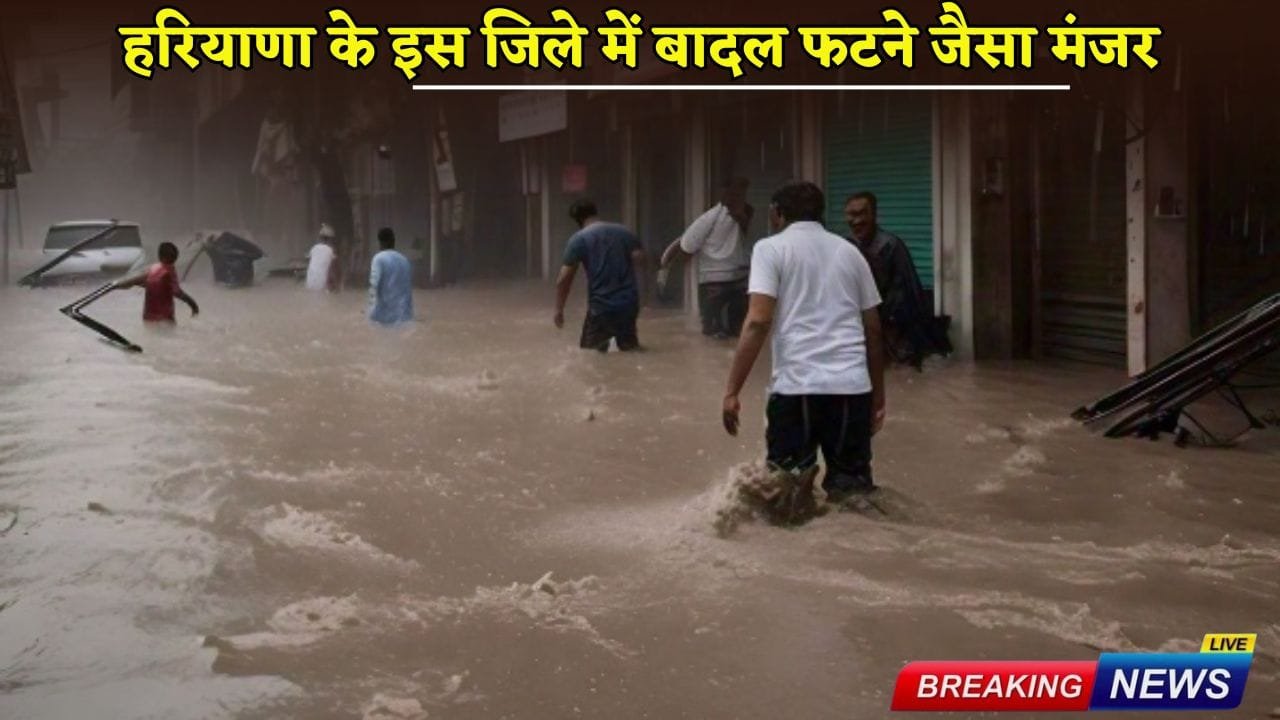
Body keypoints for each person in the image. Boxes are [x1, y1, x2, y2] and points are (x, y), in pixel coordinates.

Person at [722, 182, 886, 506]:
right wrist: (877, 397)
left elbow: (757, 322)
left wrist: (731, 391)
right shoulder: (850, 252)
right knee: (854, 495)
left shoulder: (770, 249)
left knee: (786, 496)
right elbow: (873, 330)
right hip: (852, 389)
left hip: (798, 388)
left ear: (777, 213)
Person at [843, 191, 950, 369]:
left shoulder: (891, 245)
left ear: (874, 215)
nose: (856, 221)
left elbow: (907, 292)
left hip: (891, 328)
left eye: (862, 213)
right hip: (857, 329)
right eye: (851, 214)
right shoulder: (846, 246)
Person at [659, 177, 753, 339]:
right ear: (724, 195)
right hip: (715, 283)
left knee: (737, 333)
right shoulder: (709, 219)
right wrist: (668, 272)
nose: (738, 198)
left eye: (741, 194)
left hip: (738, 281)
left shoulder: (744, 214)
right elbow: (685, 245)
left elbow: (685, 245)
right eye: (734, 194)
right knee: (715, 333)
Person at [555, 199, 645, 353]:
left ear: (577, 220)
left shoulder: (579, 239)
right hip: (628, 303)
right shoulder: (624, 232)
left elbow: (564, 279)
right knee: (629, 350)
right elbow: (640, 259)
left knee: (591, 354)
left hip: (602, 305)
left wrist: (559, 309)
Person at [110, 241, 200, 322]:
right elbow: (177, 292)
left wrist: (115, 285)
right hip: (165, 318)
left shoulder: (152, 269)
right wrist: (193, 305)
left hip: (148, 317)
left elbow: (135, 281)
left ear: (159, 256)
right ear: (175, 257)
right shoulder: (169, 271)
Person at [367, 227, 414, 326]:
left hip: (385, 319)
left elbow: (373, 287)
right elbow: (407, 289)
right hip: (405, 317)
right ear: (394, 241)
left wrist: (369, 314)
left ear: (380, 242)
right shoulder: (404, 260)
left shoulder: (378, 259)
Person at [306, 223, 339, 291]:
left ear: (320, 238)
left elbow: (309, 259)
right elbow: (333, 269)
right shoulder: (330, 250)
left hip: (310, 281)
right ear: (330, 239)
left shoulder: (314, 248)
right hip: (322, 284)